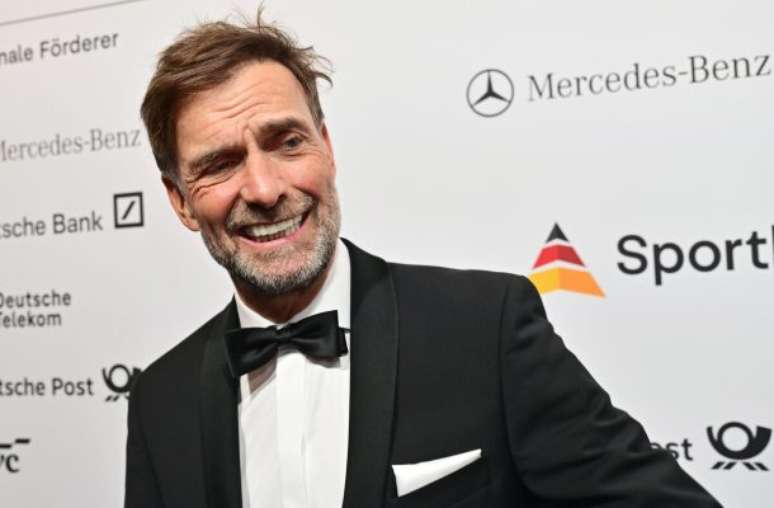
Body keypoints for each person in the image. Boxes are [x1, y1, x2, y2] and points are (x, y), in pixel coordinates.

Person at [125, 11, 722, 508]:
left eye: (287, 142)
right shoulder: (159, 400)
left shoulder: (485, 329)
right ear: (180, 201)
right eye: (220, 164)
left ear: (327, 148)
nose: (263, 188)